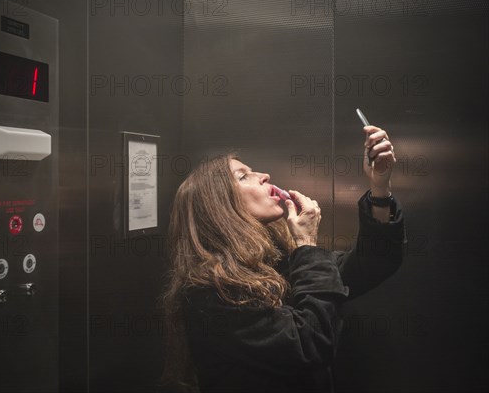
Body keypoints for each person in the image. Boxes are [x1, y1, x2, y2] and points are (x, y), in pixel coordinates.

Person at [160, 125, 406, 393]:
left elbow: (375, 262)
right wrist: (306, 245)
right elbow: (309, 346)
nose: (264, 175)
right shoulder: (213, 290)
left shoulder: (275, 258)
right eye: (243, 176)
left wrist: (380, 189)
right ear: (220, 208)